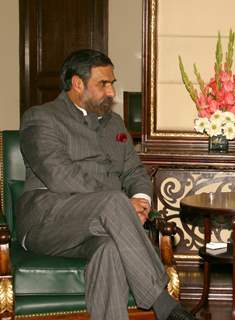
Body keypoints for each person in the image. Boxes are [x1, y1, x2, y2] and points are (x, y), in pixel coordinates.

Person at [17, 49, 195, 320]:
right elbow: (58, 174)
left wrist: (141, 203)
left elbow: (134, 171)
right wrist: (122, 203)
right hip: (49, 223)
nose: (112, 92)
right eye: (104, 83)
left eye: (112, 83)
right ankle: (163, 301)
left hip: (102, 227)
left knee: (110, 250)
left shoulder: (115, 124)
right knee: (113, 201)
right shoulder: (41, 117)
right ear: (78, 84)